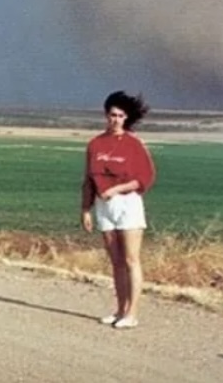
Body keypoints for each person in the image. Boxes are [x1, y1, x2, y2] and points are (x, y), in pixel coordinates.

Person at [81, 90, 156, 329]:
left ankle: (132, 313)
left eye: (121, 116)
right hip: (104, 206)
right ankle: (120, 310)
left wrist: (116, 189)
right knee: (116, 262)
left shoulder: (134, 144)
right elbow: (88, 179)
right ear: (106, 115)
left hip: (127, 203)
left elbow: (145, 178)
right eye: (112, 115)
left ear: (127, 118)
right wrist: (85, 209)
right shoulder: (95, 144)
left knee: (131, 259)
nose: (116, 120)